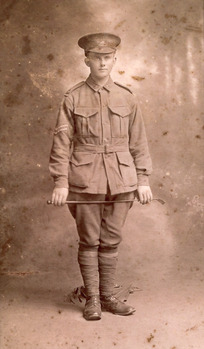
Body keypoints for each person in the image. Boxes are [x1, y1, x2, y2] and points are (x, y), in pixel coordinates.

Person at [49, 33, 153, 321]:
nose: (103, 62)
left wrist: (143, 179)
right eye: (97, 58)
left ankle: (107, 296)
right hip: (85, 177)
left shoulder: (127, 97)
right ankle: (92, 298)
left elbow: (138, 141)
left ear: (115, 60)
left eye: (108, 58)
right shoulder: (72, 97)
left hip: (122, 178)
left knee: (111, 239)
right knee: (89, 239)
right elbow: (61, 143)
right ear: (87, 61)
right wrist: (60, 182)